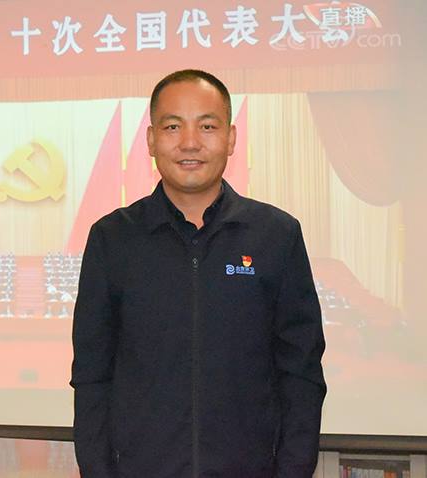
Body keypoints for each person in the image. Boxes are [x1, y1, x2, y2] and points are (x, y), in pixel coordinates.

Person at [70, 69, 326, 477]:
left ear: (231, 138)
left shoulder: (276, 235)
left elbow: (302, 373)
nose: (190, 142)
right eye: (172, 126)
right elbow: (92, 375)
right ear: (151, 140)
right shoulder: (112, 239)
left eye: (207, 126)